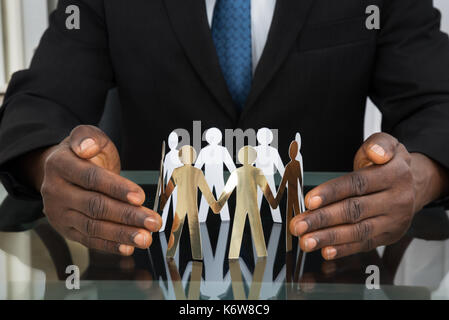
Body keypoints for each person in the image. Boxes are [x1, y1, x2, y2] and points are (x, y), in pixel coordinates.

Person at [0, 0, 448, 260]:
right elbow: (39, 104)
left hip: (324, 262)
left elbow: (438, 102)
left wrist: (419, 177)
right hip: (152, 265)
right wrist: (50, 168)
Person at [215, 146, 278, 259]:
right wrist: (273, 202)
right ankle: (261, 253)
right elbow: (266, 190)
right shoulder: (257, 172)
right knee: (256, 228)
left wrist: (219, 204)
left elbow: (227, 191)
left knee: (238, 228)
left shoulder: (237, 172)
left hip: (241, 205)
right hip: (252, 204)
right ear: (254, 159)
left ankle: (233, 254)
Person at [160, 145, 219, 261]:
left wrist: (163, 202)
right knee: (192, 229)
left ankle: (171, 253)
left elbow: (168, 190)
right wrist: (213, 204)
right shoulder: (196, 172)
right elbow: (206, 190)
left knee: (180, 228)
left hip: (183, 204)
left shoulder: (179, 171)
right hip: (190, 204)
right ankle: (195, 255)